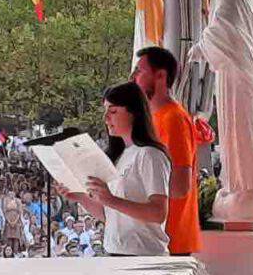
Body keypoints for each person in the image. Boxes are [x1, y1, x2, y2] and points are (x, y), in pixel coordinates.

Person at [56, 82, 171, 256]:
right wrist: (79, 196)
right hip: (114, 251)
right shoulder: (118, 156)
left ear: (134, 112)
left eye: (113, 111)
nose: (106, 118)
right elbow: (109, 215)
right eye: (105, 111)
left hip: (144, 256)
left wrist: (111, 200)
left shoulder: (149, 155)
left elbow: (158, 213)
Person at [132, 46, 201, 255]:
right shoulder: (151, 118)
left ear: (160, 76)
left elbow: (180, 186)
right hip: (154, 239)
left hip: (172, 242)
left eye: (139, 71)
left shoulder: (174, 119)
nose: (133, 77)